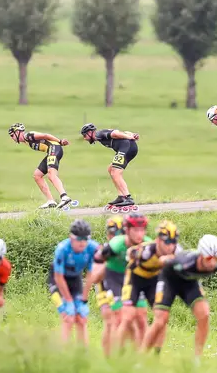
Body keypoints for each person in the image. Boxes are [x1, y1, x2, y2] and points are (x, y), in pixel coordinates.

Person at [142, 234, 217, 360]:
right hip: (168, 280)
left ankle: (197, 359)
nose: (212, 262)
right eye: (209, 258)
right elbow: (163, 261)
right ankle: (142, 356)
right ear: (201, 255)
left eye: (216, 258)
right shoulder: (185, 262)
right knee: (161, 319)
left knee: (204, 314)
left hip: (189, 283)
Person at [82, 212, 152, 356]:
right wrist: (86, 293)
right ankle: (111, 357)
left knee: (139, 317)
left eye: (117, 233)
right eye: (111, 233)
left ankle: (139, 356)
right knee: (113, 319)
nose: (113, 236)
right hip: (108, 280)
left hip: (130, 280)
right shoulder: (113, 246)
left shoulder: (144, 243)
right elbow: (95, 275)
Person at [115, 220, 181, 352]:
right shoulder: (147, 250)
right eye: (167, 241)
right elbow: (130, 253)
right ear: (158, 240)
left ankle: (155, 355)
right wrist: (134, 254)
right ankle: (117, 352)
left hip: (152, 280)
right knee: (128, 317)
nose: (170, 246)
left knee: (162, 317)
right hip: (134, 278)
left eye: (174, 241)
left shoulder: (177, 251)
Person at [48, 219, 100, 347]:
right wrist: (69, 300)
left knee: (81, 319)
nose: (82, 243)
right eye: (79, 239)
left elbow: (90, 275)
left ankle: (83, 353)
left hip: (75, 279)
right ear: (71, 238)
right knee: (68, 317)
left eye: (85, 239)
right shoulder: (62, 249)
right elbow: (58, 277)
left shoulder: (92, 247)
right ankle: (63, 353)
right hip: (57, 281)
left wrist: (84, 300)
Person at [8, 122, 74, 209]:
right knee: (37, 175)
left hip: (54, 148)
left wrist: (60, 141)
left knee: (51, 175)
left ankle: (64, 197)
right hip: (51, 151)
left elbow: (46, 135)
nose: (12, 138)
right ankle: (51, 201)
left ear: (17, 132)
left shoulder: (28, 136)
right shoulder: (26, 141)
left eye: (12, 135)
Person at [79, 123, 140, 210]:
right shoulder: (99, 136)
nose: (84, 138)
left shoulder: (98, 134)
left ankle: (128, 197)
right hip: (126, 148)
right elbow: (118, 131)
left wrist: (129, 137)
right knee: (110, 169)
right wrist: (131, 134)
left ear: (90, 132)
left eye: (85, 135)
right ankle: (121, 196)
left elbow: (115, 133)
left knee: (116, 173)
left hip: (127, 148)